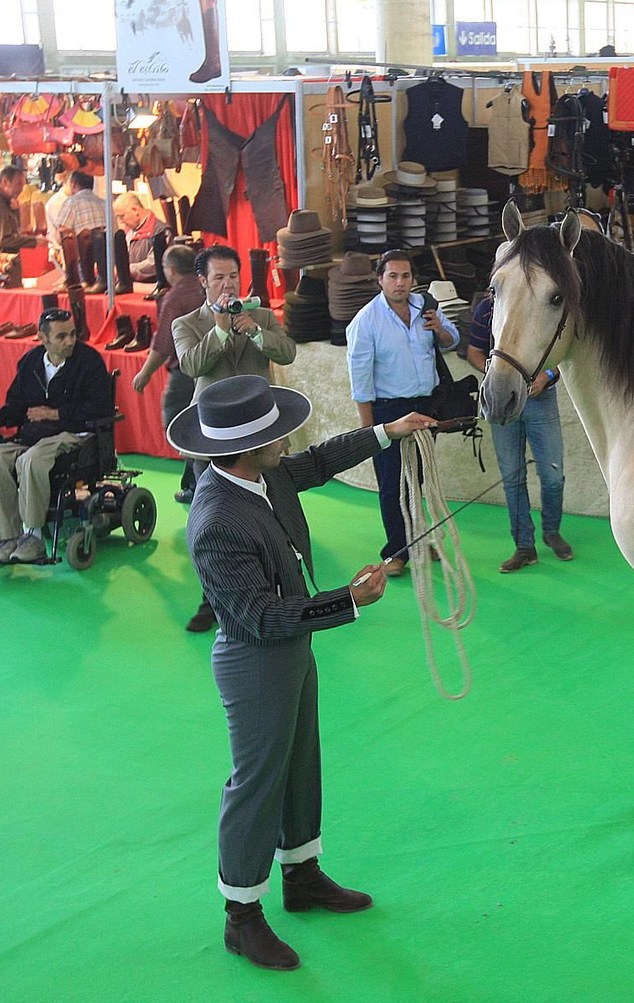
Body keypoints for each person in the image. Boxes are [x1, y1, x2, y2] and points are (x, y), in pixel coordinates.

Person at [169, 374, 435, 972]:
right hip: (255, 659)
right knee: (257, 781)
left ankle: (303, 876)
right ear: (247, 447)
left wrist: (387, 431)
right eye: (276, 435)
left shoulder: (263, 474)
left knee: (300, 762)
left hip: (292, 649)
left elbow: (320, 460)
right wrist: (348, 600)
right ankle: (241, 917)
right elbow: (260, 618)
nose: (288, 441)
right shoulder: (216, 521)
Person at [172, 244, 298, 632]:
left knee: (272, 507)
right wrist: (221, 330)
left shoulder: (260, 314)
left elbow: (288, 353)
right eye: (219, 278)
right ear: (203, 282)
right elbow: (191, 364)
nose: (228, 285)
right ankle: (212, 597)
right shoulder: (187, 323)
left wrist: (257, 333)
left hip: (262, 431)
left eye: (233, 277)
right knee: (211, 515)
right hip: (211, 435)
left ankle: (278, 584)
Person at [346, 250, 460, 577]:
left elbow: (453, 341)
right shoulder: (366, 321)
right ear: (379, 279)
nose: (400, 283)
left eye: (405, 276)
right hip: (388, 409)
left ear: (413, 279)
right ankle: (396, 552)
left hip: (427, 405)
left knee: (419, 478)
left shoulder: (425, 307)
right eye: (393, 276)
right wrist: (368, 432)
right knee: (392, 483)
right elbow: (361, 380)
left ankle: (419, 539)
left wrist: (439, 327)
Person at [0, 308, 114, 563]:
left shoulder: (89, 361)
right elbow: (16, 405)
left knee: (31, 460)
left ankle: (34, 536)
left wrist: (56, 414)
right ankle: (6, 536)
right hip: (33, 436)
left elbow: (101, 408)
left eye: (72, 334)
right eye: (62, 336)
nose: (70, 341)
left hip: (74, 434)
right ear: (43, 337)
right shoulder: (30, 363)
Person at [464, 292, 573, 572]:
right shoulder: (487, 309)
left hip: (540, 399)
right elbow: (474, 351)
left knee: (553, 475)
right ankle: (524, 546)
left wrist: (546, 376)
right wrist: (493, 372)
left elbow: (563, 356)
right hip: (503, 398)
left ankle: (551, 531)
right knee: (513, 477)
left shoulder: (542, 305)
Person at [131, 242, 207, 503]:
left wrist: (144, 373)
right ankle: (195, 483)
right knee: (204, 425)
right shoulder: (204, 285)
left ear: (170, 269)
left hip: (186, 371)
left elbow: (164, 343)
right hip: (212, 367)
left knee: (179, 425)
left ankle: (197, 485)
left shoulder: (175, 297)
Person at [0, 165, 39, 256]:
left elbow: (15, 232)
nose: (21, 190)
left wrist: (15, 212)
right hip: (1, 260)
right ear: (5, 182)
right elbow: (5, 240)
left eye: (23, 186)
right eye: (18, 184)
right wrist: (35, 241)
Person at [113, 193, 172, 282]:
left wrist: (125, 270)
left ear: (135, 210)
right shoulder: (128, 232)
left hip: (151, 288)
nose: (121, 221)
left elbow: (154, 264)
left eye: (122, 216)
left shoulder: (161, 231)